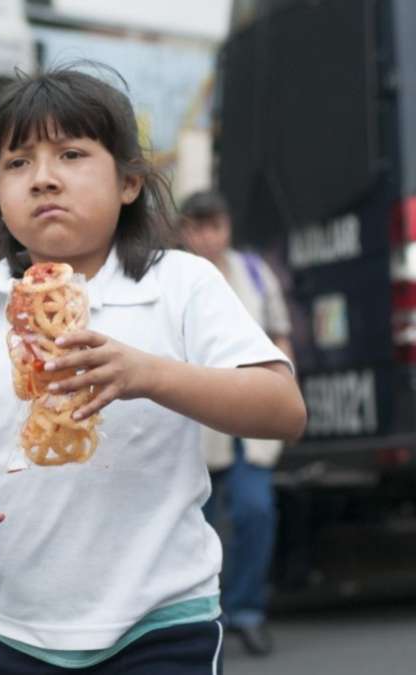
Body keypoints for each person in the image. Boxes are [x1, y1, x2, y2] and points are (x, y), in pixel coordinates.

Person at [0, 66, 306, 674]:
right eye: (17, 163)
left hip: (163, 624)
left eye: (71, 154)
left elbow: (282, 408)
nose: (43, 178)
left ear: (129, 182)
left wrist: (148, 375)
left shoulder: (178, 284)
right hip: (22, 635)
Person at [180, 189, 295, 657]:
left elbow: (280, 331)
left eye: (215, 226)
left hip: (250, 416)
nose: (207, 237)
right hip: (196, 421)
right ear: (184, 230)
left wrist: (284, 386)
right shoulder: (174, 275)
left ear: (226, 227)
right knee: (194, 526)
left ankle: (247, 609)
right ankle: (207, 617)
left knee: (255, 510)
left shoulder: (252, 270)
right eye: (197, 226)